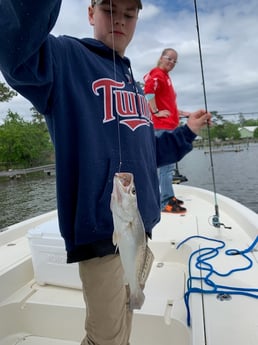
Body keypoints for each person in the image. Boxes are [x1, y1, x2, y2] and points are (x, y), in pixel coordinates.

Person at [0, 1, 211, 344]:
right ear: (90, 13)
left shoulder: (134, 86)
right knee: (106, 339)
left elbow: (150, 153)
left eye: (129, 14)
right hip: (102, 236)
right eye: (109, 10)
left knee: (122, 324)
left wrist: (188, 131)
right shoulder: (65, 57)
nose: (120, 21)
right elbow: (15, 47)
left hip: (138, 231)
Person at [144, 48, 191, 214]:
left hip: (169, 125)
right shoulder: (157, 73)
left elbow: (168, 105)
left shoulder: (165, 77)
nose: (171, 62)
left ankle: (168, 196)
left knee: (167, 167)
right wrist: (156, 112)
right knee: (166, 167)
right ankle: (165, 203)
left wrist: (185, 114)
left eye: (174, 61)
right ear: (161, 57)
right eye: (169, 58)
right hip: (161, 126)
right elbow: (148, 91)